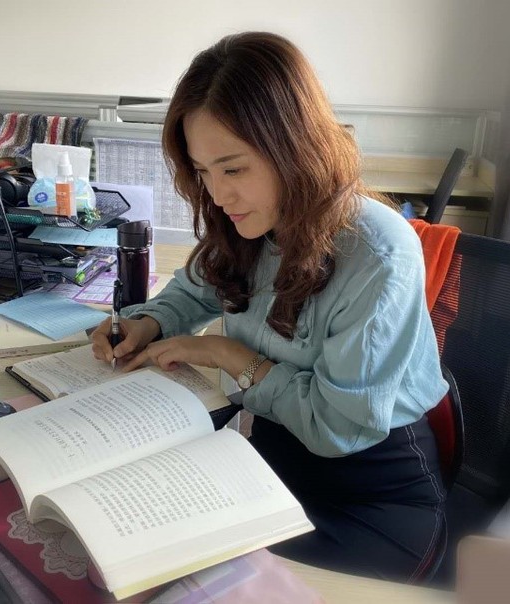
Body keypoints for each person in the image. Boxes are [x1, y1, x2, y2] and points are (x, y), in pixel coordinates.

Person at [91, 31, 448, 582]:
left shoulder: (377, 252)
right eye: (203, 172)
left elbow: (336, 428)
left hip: (374, 493)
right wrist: (148, 322)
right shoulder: (250, 220)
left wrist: (227, 354)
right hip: (273, 462)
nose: (217, 195)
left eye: (233, 169)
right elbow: (196, 288)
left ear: (295, 149)